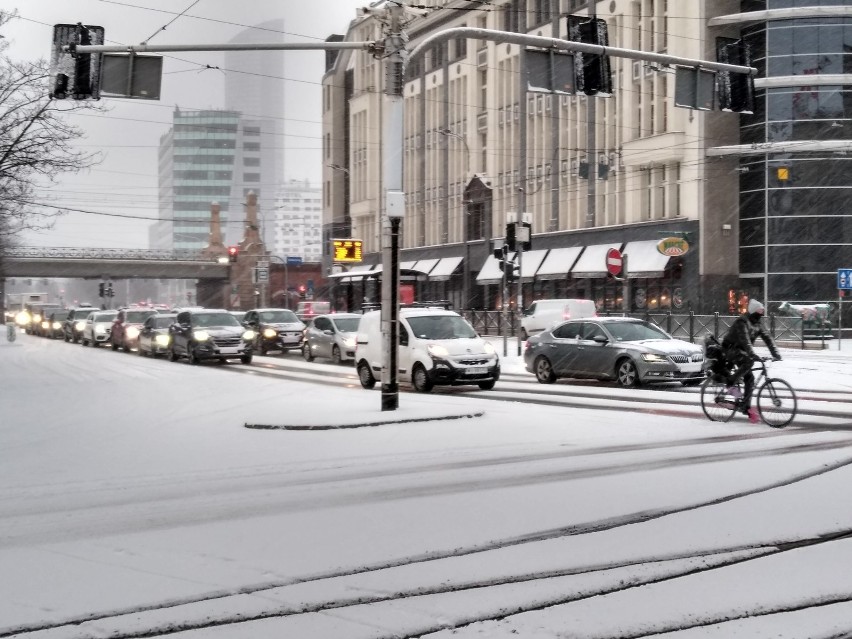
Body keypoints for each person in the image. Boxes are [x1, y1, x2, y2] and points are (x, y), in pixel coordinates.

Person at [721, 299, 782, 424]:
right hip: (730, 349)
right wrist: (752, 354)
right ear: (754, 310)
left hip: (742, 351)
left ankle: (745, 406)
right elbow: (745, 340)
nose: (762, 313)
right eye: (760, 311)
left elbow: (768, 338)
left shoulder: (757, 324)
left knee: (750, 378)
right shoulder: (742, 322)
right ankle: (730, 382)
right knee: (749, 362)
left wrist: (776, 354)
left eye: (762, 311)